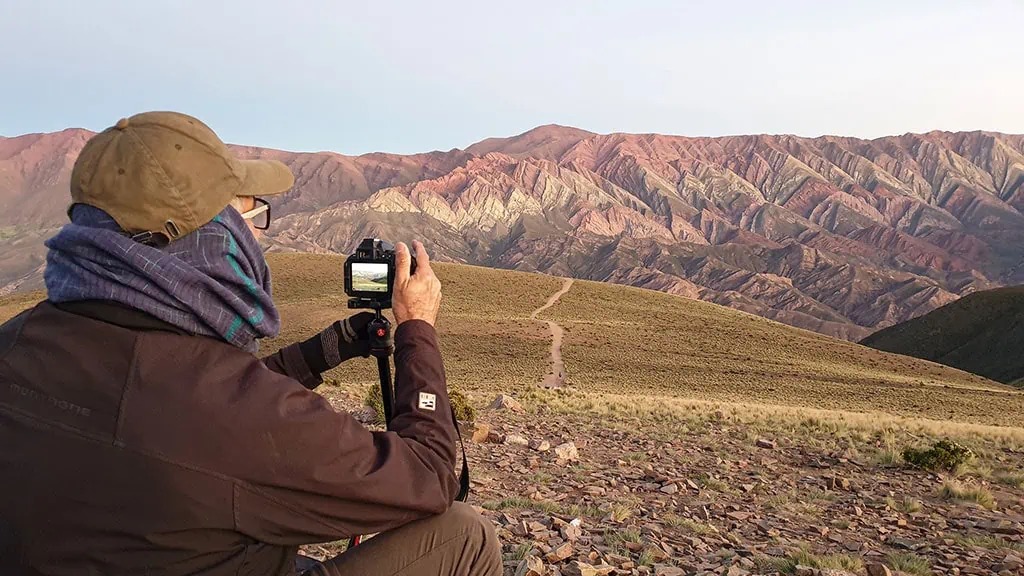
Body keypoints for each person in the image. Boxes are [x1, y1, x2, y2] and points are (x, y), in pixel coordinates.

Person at [0, 111, 502, 576]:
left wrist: (325, 350)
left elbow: (206, 403)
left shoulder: (18, 341)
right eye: (250, 215)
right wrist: (417, 327)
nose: (258, 237)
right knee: (468, 535)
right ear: (206, 237)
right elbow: (428, 476)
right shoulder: (229, 413)